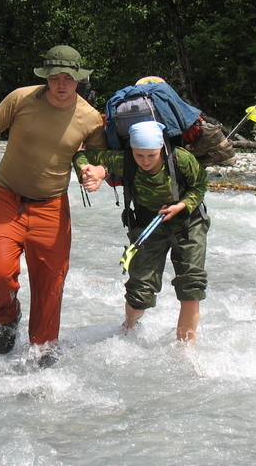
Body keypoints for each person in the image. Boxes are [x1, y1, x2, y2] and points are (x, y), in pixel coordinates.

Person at [0, 45, 106, 367]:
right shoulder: (21, 99)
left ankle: (43, 348)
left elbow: (95, 156)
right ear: (46, 77)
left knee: (51, 280)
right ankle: (7, 316)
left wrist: (98, 172)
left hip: (52, 207)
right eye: (55, 77)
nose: (61, 84)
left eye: (68, 78)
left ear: (79, 80)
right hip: (8, 198)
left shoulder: (90, 118)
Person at [74, 120, 210, 343]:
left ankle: (186, 350)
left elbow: (200, 185)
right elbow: (83, 156)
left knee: (191, 286)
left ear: (162, 150)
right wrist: (87, 171)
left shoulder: (181, 158)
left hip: (188, 223)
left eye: (151, 155)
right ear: (131, 152)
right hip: (148, 225)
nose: (145, 161)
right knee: (139, 292)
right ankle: (128, 330)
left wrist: (181, 205)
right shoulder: (123, 160)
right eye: (140, 156)